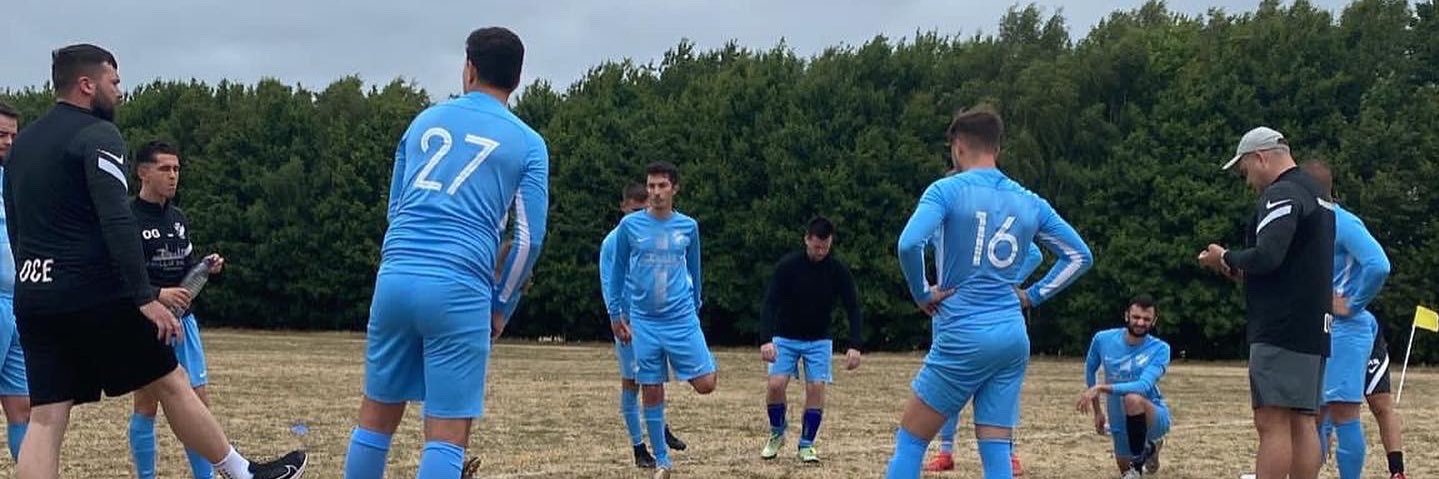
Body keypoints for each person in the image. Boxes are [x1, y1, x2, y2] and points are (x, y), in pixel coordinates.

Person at [3, 43, 305, 479]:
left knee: (47, 415)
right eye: (115, 81)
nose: (120, 91)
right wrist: (143, 296)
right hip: (94, 293)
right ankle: (242, 473)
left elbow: (16, 227)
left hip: (36, 295)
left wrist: (34, 280)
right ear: (87, 85)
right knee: (171, 381)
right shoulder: (98, 135)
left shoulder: (23, 144)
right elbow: (116, 218)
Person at [342, 27, 549, 479]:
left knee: (374, 421)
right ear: (517, 79)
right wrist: (502, 305)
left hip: (396, 276)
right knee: (446, 435)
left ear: (469, 68)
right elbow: (529, 240)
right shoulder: (529, 143)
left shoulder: (422, 122)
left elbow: (396, 210)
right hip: (460, 285)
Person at [885, 105, 1093, 479]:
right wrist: (1032, 295)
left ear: (958, 145)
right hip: (1012, 337)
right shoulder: (1030, 201)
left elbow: (908, 244)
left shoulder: (946, 190)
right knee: (996, 452)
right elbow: (1080, 256)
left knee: (912, 441)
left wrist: (921, 292)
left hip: (963, 333)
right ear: (997, 147)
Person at [1198, 126, 1333, 479]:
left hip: (1281, 328)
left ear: (1260, 157)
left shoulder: (1282, 194)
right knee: (1303, 420)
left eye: (1245, 171)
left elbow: (1269, 255)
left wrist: (1224, 256)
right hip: (1315, 326)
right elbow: (1292, 264)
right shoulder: (1320, 196)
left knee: (1271, 422)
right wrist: (1238, 268)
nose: (1248, 182)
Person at [604, 161, 716, 479]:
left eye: (661, 186)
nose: (655, 192)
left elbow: (695, 269)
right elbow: (616, 274)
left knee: (706, 384)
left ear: (674, 188)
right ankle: (662, 461)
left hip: (680, 317)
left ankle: (703, 359)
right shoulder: (630, 227)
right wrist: (615, 315)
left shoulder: (688, 227)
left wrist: (696, 305)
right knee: (651, 388)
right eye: (650, 186)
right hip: (644, 321)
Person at [126, 140, 228, 479]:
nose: (173, 176)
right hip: (147, 323)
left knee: (198, 403)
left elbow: (184, 270)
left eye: (177, 169)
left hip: (184, 324)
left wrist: (203, 268)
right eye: (164, 168)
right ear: (143, 172)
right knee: (146, 404)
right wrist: (157, 294)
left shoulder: (178, 218)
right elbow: (121, 275)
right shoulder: (127, 219)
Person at [1299, 160, 1393, 479]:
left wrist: (1353, 304)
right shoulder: (1310, 225)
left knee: (1343, 412)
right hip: (1318, 327)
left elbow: (1378, 265)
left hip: (1347, 330)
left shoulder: (1344, 222)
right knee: (1312, 414)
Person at [923, 243, 1040, 474]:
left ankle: (1008, 453)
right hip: (951, 313)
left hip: (988, 314)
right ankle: (945, 452)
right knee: (947, 383)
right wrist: (925, 290)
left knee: (999, 388)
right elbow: (913, 245)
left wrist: (1003, 283)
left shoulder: (991, 219)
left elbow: (1034, 254)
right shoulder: (943, 217)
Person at [756, 215, 863, 463]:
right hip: (785, 336)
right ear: (807, 239)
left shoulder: (838, 271)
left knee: (816, 388)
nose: (820, 252)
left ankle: (806, 444)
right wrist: (765, 339)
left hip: (819, 339)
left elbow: (853, 307)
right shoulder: (788, 266)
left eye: (825, 247)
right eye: (816, 246)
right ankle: (777, 432)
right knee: (775, 385)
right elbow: (769, 303)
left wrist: (855, 344)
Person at [599, 182, 686, 469]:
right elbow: (609, 282)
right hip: (629, 322)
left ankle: (659, 429)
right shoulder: (614, 241)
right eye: (634, 210)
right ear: (623, 207)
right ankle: (639, 447)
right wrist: (619, 319)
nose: (638, 215)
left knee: (653, 379)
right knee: (631, 383)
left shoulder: (648, 236)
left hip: (649, 319)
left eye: (643, 209)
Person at [1077, 295, 1172, 478]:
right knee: (1123, 470)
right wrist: (1098, 411)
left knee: (1132, 398)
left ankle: (1140, 458)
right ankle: (1150, 449)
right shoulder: (1102, 339)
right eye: (1136, 317)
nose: (1140, 323)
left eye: (1146, 319)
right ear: (1126, 315)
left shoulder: (1161, 349)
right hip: (1117, 414)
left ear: (1154, 321)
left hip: (1153, 415)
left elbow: (1143, 386)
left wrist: (1101, 388)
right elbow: (1091, 370)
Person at [0, 101, 29, 463]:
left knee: (23, 407)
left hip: (19, 303)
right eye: (0, 135)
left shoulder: (17, 180)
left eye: (12, 135)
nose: (8, 142)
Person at [1361, 322, 1407, 479]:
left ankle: (1397, 471)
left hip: (1364, 331)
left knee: (1382, 404)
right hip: (1326, 331)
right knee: (1328, 410)